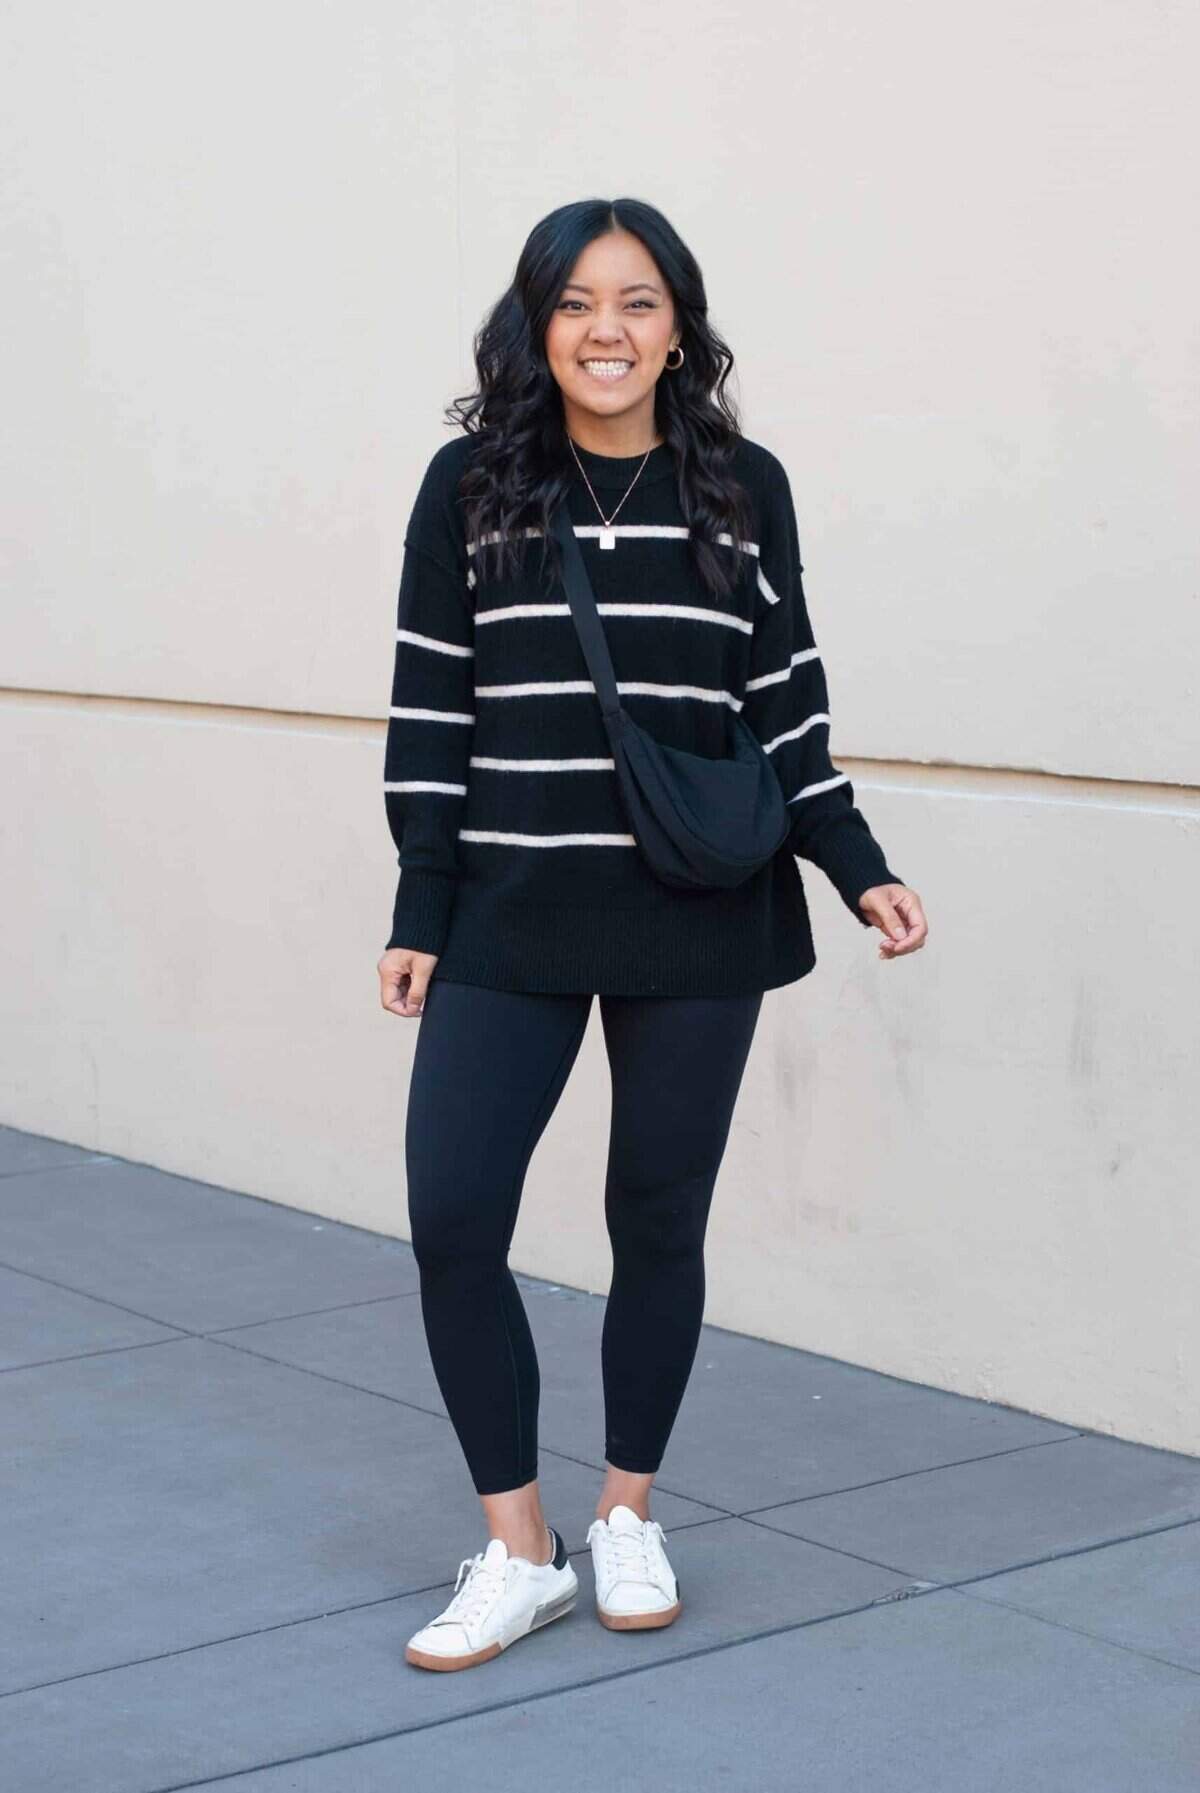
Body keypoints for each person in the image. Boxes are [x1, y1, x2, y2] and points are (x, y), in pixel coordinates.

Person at [377, 196, 928, 1673]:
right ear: (535, 327)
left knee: (658, 1218)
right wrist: (421, 903)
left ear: (679, 326)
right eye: (574, 303)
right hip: (508, 909)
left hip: (697, 912)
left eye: (636, 301)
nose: (605, 330)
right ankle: (518, 1549)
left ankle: (626, 1512)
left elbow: (784, 695)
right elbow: (432, 705)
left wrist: (855, 862)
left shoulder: (742, 486)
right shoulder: (473, 487)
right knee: (454, 1216)